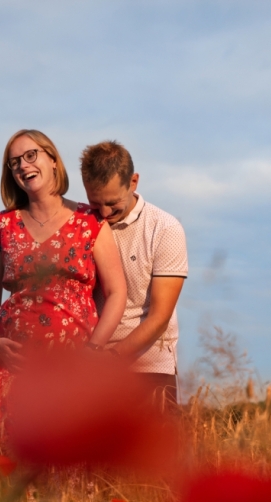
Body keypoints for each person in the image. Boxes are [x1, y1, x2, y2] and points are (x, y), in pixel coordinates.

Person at [0, 130, 126, 435]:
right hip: (16, 369)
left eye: (31, 155)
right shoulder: (2, 225)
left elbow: (116, 292)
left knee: (69, 465)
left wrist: (93, 350)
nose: (22, 165)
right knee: (13, 466)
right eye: (14, 162)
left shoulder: (90, 221)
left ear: (53, 160)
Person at [80, 141, 188, 405]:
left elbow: (160, 316)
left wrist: (112, 358)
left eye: (112, 203)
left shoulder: (165, 228)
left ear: (134, 182)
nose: (104, 213)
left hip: (150, 367)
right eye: (95, 204)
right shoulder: (81, 226)